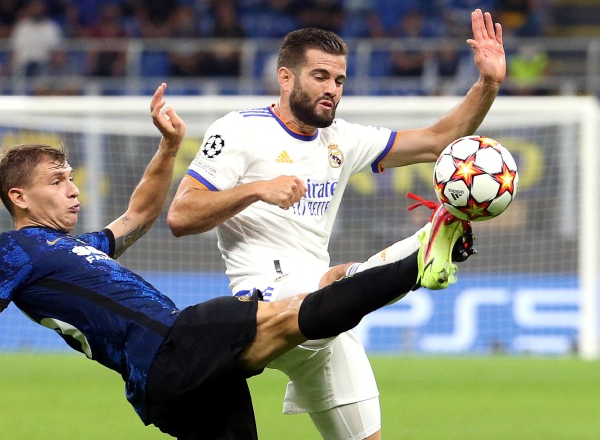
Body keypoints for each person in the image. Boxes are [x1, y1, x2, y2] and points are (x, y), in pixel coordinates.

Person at [0, 83, 468, 440]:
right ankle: (416, 260)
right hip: (172, 346)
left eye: (73, 177)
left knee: (298, 315)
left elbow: (139, 216)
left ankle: (416, 260)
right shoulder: (12, 250)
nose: (73, 191)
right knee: (296, 312)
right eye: (57, 182)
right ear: (19, 198)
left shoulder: (76, 248)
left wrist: (169, 147)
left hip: (171, 390)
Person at [167, 9, 504, 440]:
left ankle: (427, 244)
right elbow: (181, 215)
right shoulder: (239, 131)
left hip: (331, 329)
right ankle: (425, 246)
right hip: (269, 304)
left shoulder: (341, 139)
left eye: (339, 81)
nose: (332, 90)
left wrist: (488, 83)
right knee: (336, 281)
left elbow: (439, 140)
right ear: (286, 78)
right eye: (320, 76)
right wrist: (256, 190)